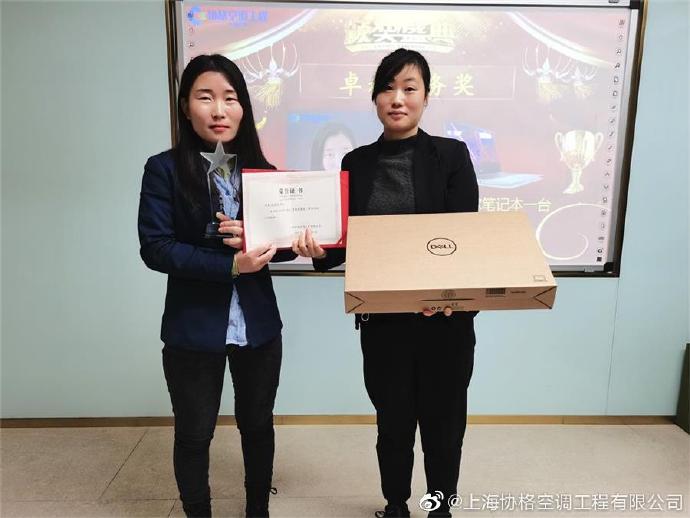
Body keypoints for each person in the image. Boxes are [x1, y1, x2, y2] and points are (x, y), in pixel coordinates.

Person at [292, 49, 479, 518]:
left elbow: (466, 239)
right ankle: (395, 504)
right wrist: (319, 251)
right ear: (375, 98)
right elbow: (345, 244)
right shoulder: (356, 162)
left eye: (409, 88)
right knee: (392, 423)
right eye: (387, 88)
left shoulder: (451, 156)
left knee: (444, 424)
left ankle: (440, 507)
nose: (398, 99)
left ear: (426, 97)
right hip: (384, 322)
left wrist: (454, 299)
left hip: (445, 321)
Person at [138, 54, 295, 518]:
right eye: (205, 97)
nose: (219, 109)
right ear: (186, 107)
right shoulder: (163, 169)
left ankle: (257, 511)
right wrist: (231, 265)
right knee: (194, 433)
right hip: (192, 327)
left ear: (244, 108)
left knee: (258, 426)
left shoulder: (264, 173)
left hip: (259, 328)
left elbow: (282, 248)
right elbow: (156, 248)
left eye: (230, 98)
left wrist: (298, 242)